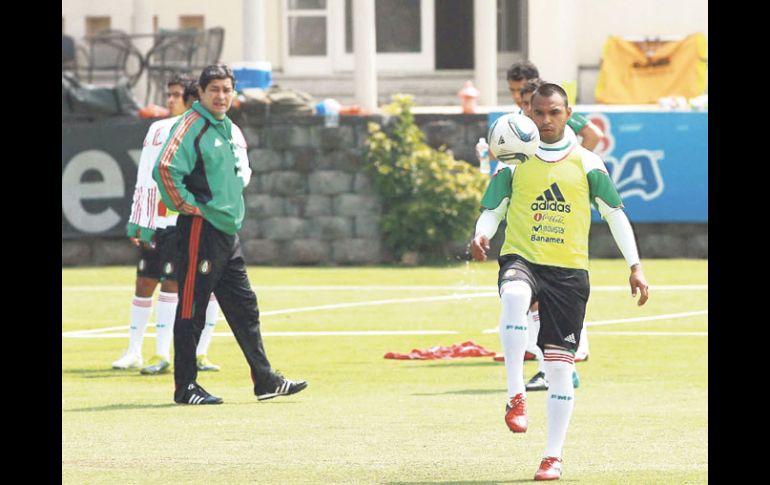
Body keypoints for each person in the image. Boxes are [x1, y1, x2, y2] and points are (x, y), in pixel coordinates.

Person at [470, 83, 649, 480]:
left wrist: (635, 265)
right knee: (514, 293)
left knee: (559, 370)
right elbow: (493, 211)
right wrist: (482, 233)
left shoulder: (588, 162)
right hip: (522, 258)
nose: (547, 120)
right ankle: (515, 391)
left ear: (569, 114)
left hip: (568, 274)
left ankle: (553, 455)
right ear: (528, 114)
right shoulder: (513, 160)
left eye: (554, 112)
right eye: (539, 113)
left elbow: (616, 215)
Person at [152, 64, 307, 405]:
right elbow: (164, 168)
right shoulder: (191, 126)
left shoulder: (227, 128)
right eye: (214, 90)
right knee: (192, 308)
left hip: (225, 232)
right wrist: (189, 206)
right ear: (202, 93)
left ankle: (264, 379)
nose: (221, 96)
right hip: (200, 231)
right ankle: (186, 387)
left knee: (244, 306)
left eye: (227, 89)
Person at [112, 74, 223, 374]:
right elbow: (146, 177)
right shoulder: (158, 129)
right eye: (170, 95)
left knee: (206, 286)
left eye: (178, 95)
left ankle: (197, 352)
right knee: (148, 281)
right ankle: (140, 351)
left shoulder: (210, 128)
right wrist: (140, 219)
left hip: (197, 222)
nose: (171, 100)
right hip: (161, 223)